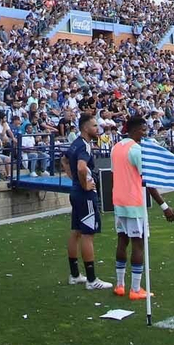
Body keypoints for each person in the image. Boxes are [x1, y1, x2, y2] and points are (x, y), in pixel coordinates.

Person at [109, 114, 174, 301]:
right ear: (135, 130)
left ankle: (120, 285)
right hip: (134, 204)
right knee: (138, 243)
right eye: (143, 130)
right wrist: (164, 206)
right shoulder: (137, 150)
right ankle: (135, 289)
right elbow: (148, 182)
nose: (145, 133)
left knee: (122, 241)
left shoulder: (116, 148)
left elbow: (114, 175)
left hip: (119, 202)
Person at [65, 111, 110, 290]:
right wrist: (84, 184)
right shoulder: (84, 146)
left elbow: (64, 161)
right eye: (94, 126)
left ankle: (75, 275)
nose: (98, 129)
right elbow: (82, 167)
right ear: (85, 128)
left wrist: (75, 180)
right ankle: (91, 280)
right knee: (87, 234)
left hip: (75, 192)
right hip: (85, 195)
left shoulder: (75, 143)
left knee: (76, 231)